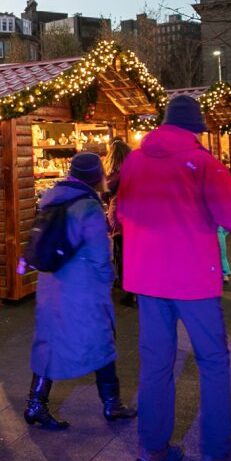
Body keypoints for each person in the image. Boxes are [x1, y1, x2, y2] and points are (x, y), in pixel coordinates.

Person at [115, 95, 231, 461]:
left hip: (147, 279)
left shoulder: (135, 161)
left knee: (156, 363)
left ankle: (152, 447)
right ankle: (216, 454)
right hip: (193, 277)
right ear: (196, 129)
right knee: (212, 361)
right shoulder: (204, 163)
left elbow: (123, 212)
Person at [25, 152, 138, 430]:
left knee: (49, 342)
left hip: (52, 285)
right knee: (102, 340)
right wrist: (109, 280)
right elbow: (101, 256)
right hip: (82, 289)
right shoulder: (88, 207)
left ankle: (36, 403)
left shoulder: (52, 198)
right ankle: (112, 403)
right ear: (95, 176)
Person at [103, 137, 135, 307]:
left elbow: (104, 191)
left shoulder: (114, 174)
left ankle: (128, 292)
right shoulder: (137, 170)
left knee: (122, 253)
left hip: (120, 216)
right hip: (136, 217)